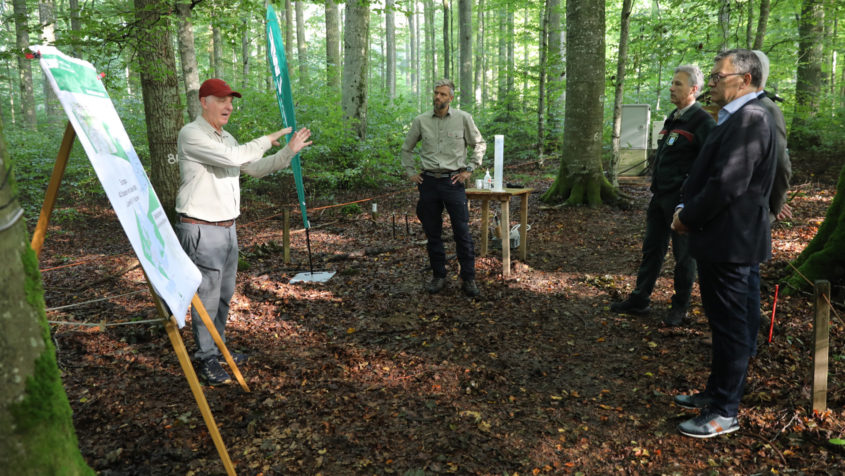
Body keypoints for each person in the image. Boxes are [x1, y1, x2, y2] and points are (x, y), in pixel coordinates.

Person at [176, 78, 312, 385]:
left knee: (224, 294)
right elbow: (234, 158)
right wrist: (266, 139)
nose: (229, 106)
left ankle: (217, 345)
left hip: (227, 227)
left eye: (231, 101)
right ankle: (206, 358)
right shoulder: (192, 134)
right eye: (222, 100)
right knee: (207, 296)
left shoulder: (227, 137)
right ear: (204, 102)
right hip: (201, 227)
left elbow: (253, 167)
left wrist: (288, 152)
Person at [671, 49, 777, 438]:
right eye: (713, 77)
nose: (713, 82)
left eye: (718, 76)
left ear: (745, 80)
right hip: (725, 240)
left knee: (733, 326)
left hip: (732, 242)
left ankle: (724, 412)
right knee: (726, 324)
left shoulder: (750, 119)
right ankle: (718, 392)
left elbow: (727, 185)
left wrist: (687, 216)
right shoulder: (736, 117)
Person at [611, 65, 715, 326]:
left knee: (684, 257)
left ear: (693, 89)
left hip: (683, 202)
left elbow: (711, 164)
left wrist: (691, 197)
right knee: (652, 249)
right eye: (672, 83)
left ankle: (680, 306)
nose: (671, 87)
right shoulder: (673, 118)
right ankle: (640, 298)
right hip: (659, 197)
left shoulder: (703, 122)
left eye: (678, 84)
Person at [401, 79, 487, 297]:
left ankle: (468, 278)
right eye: (436, 93)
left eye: (442, 94)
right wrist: (411, 172)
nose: (437, 97)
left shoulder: (463, 119)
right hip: (428, 183)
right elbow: (406, 149)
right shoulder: (421, 121)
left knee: (462, 232)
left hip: (453, 182)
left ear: (451, 98)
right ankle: (439, 275)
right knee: (433, 233)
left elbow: (479, 143)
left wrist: (470, 169)